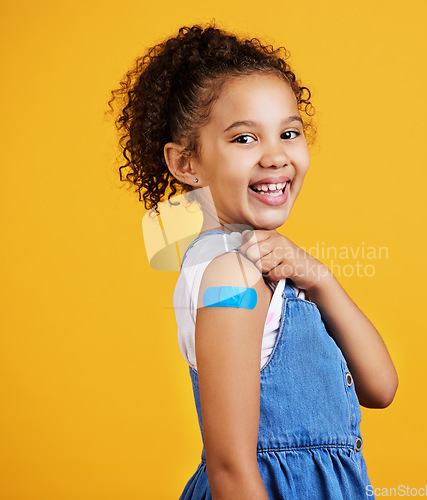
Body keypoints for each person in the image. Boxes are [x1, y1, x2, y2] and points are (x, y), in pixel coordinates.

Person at [108, 21, 399, 499]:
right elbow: (229, 469)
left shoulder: (265, 267)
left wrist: (319, 280)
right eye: (244, 139)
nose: (275, 156)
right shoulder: (232, 276)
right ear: (187, 163)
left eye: (288, 132)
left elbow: (380, 388)